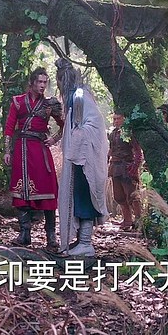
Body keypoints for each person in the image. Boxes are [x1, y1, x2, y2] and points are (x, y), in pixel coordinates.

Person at [3, 67, 64, 249]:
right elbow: (9, 128)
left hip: (40, 150)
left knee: (48, 189)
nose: (42, 85)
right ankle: (24, 234)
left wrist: (54, 139)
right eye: (39, 82)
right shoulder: (18, 102)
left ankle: (51, 236)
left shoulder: (50, 104)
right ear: (32, 83)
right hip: (22, 149)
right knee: (21, 190)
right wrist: (7, 151)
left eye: (45, 82)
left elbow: (64, 124)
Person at [55, 58, 109, 257]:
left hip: (84, 158)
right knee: (78, 196)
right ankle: (81, 240)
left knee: (83, 196)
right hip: (79, 156)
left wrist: (78, 139)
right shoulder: (75, 96)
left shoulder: (78, 96)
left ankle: (86, 243)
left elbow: (90, 123)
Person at [108, 112, 143, 232]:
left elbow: (137, 151)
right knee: (119, 196)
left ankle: (139, 221)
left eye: (118, 118)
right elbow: (111, 150)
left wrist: (135, 166)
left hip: (127, 167)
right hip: (115, 167)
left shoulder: (129, 133)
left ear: (124, 119)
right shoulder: (112, 134)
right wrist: (106, 161)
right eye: (114, 119)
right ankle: (127, 220)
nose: (116, 121)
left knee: (132, 195)